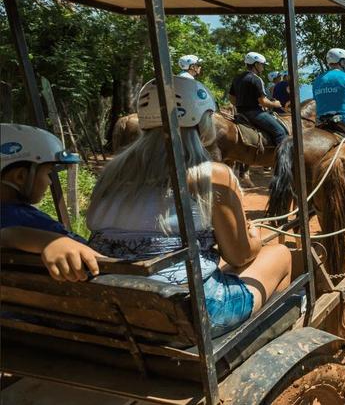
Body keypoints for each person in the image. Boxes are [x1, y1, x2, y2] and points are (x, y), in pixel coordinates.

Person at [88, 76, 292, 337]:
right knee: (280, 254)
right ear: (203, 123)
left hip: (111, 302)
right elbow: (240, 256)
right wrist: (253, 237)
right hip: (182, 313)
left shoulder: (110, 173)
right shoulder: (212, 175)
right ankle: (261, 342)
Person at [0, 124, 104, 282]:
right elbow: (99, 264)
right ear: (20, 177)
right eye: (48, 173)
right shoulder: (29, 222)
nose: (49, 181)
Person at [228, 52, 288, 146]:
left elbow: (231, 98)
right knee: (280, 132)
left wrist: (241, 104)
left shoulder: (237, 78)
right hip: (255, 113)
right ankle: (283, 160)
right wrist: (275, 104)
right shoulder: (256, 79)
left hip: (240, 113)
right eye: (262, 65)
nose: (263, 68)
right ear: (256, 64)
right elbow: (263, 101)